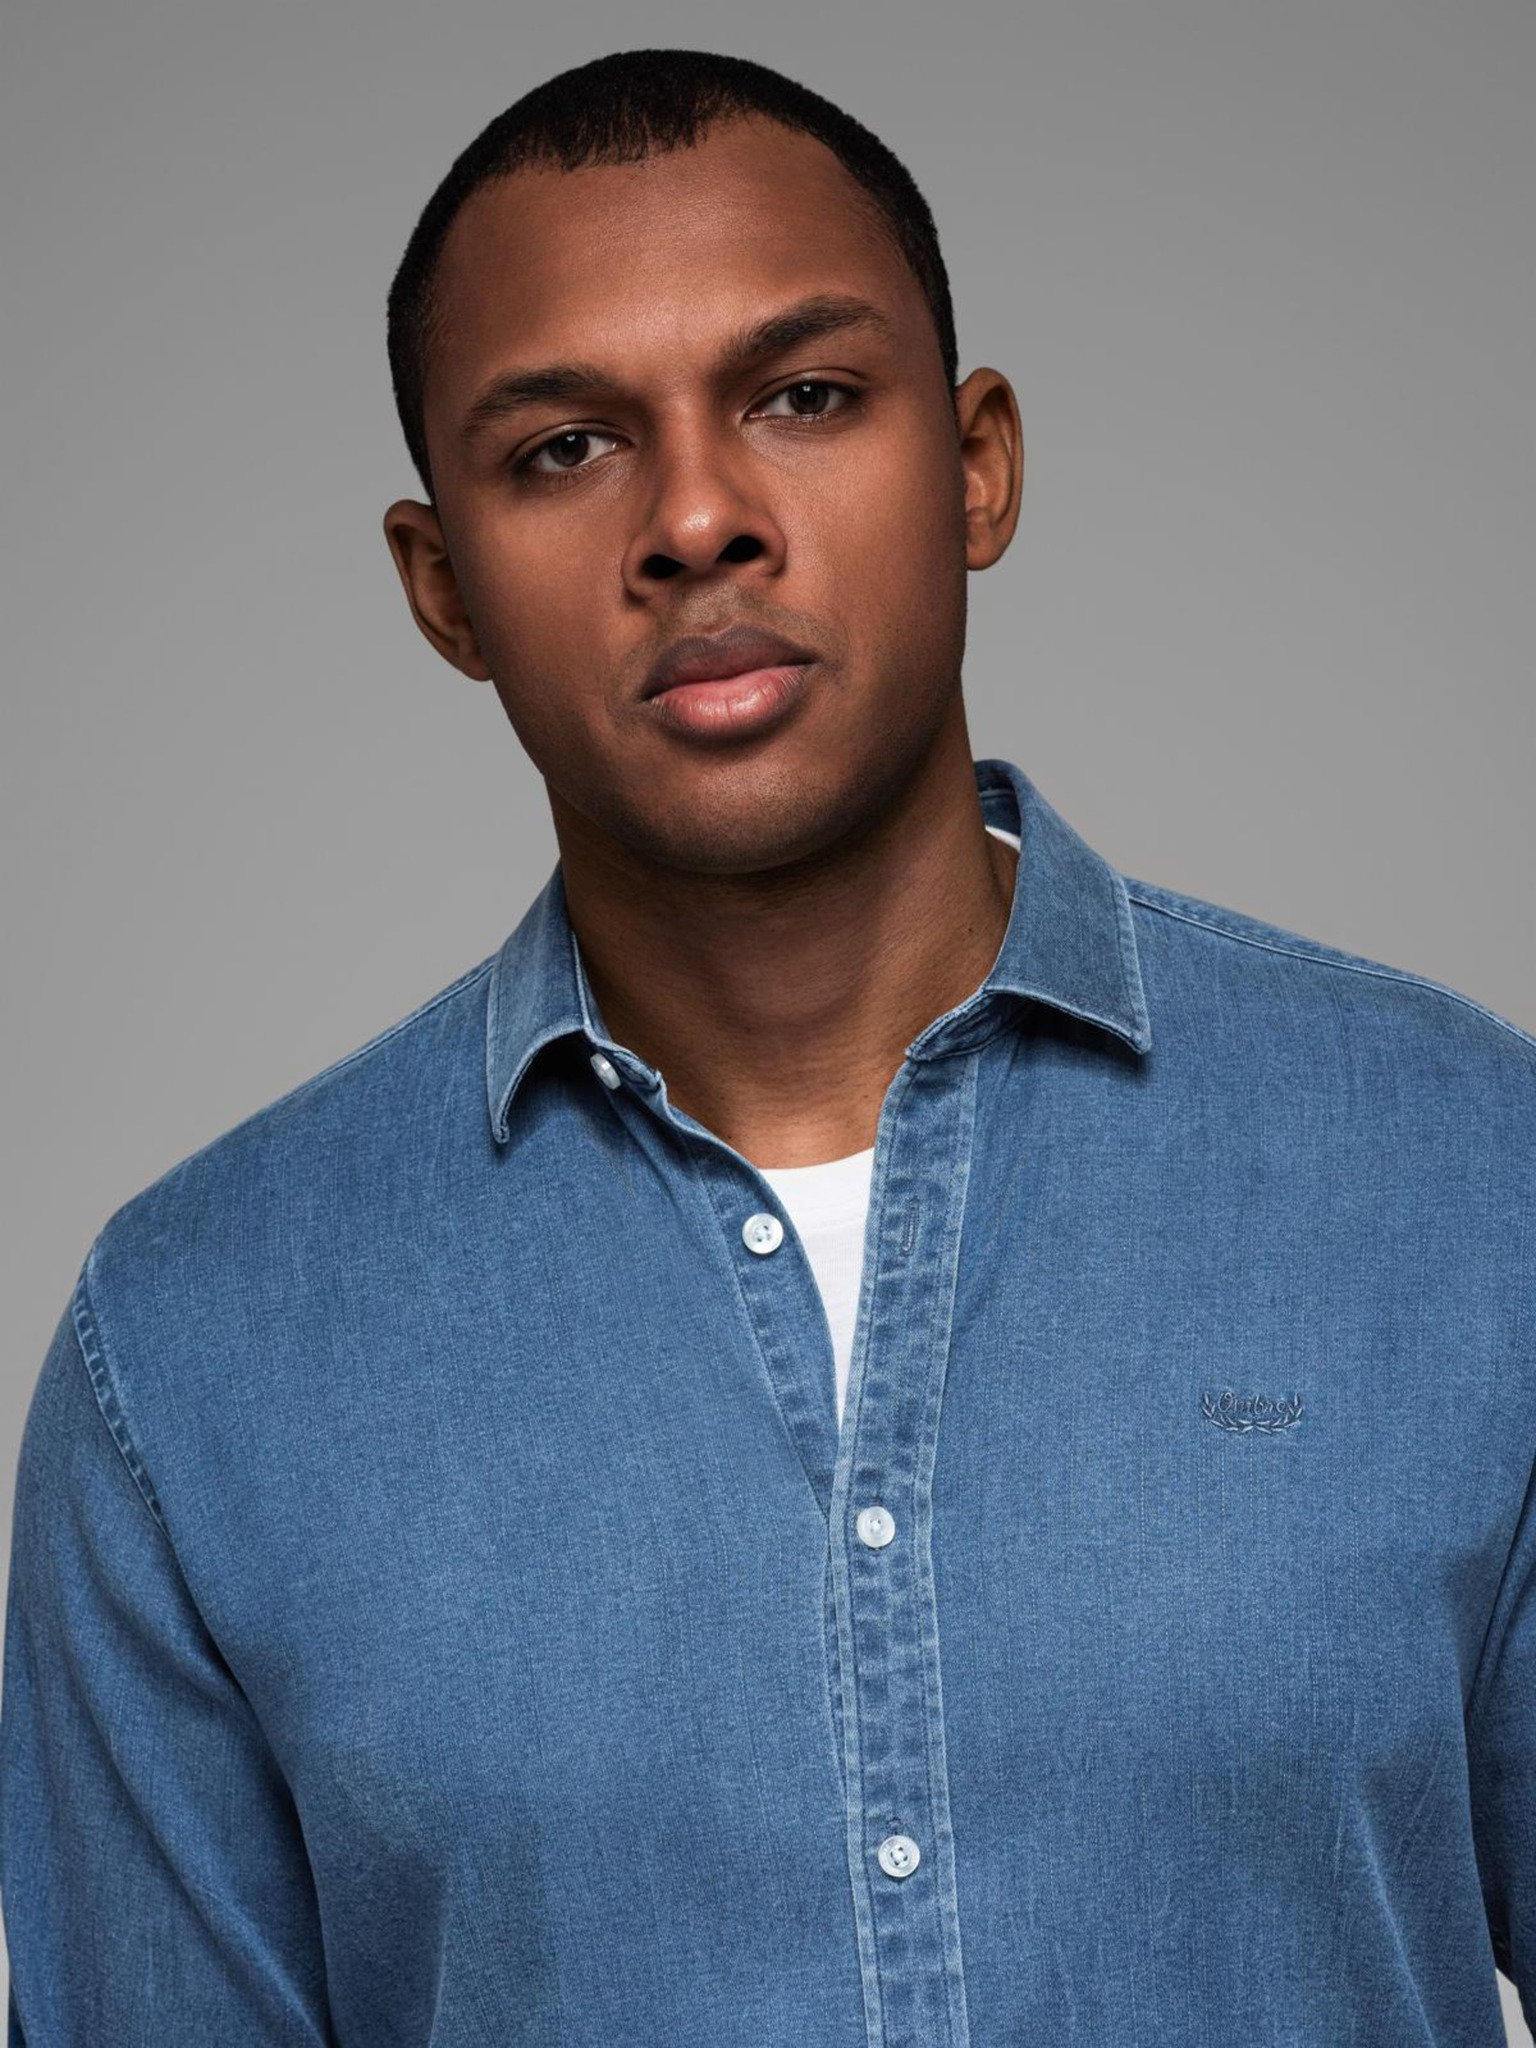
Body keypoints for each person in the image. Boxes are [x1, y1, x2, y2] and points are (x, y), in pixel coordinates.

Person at [2, 43, 1532, 2048]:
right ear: (444, 589)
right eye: (566, 447)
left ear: (976, 466)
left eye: (804, 396)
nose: (700, 518)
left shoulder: (1465, 1178)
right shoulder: (192, 1357)